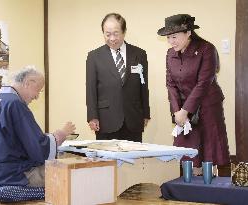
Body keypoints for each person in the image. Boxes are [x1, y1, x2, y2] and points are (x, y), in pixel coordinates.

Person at [157, 14, 230, 175]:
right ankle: (191, 187)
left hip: (207, 107)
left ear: (188, 32)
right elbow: (171, 84)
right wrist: (177, 111)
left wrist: (185, 111)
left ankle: (213, 188)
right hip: (183, 110)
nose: (171, 41)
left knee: (209, 150)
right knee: (188, 151)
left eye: (174, 37)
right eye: (169, 37)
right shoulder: (170, 54)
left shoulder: (206, 49)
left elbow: (204, 82)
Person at [0, 66, 76, 187]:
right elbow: (38, 148)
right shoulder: (14, 103)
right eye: (39, 90)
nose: (37, 97)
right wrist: (60, 135)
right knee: (70, 173)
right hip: (9, 176)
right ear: (28, 83)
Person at [86, 13, 150, 142]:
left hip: (133, 118)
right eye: (107, 34)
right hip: (106, 120)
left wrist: (145, 113)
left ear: (124, 32)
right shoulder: (94, 56)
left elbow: (143, 85)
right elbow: (91, 89)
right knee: (107, 161)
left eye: (116, 33)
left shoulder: (139, 54)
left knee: (133, 159)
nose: (112, 38)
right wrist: (92, 116)